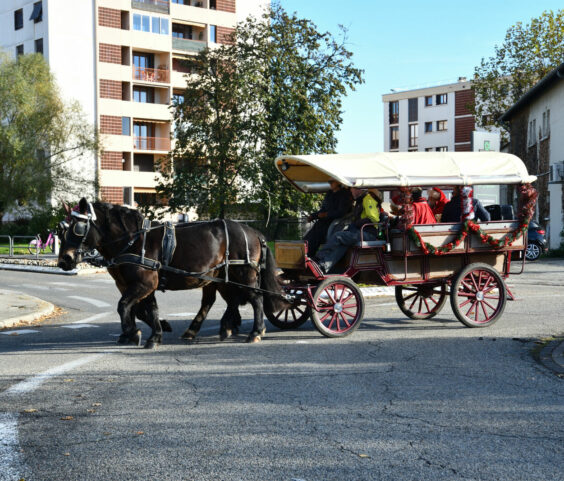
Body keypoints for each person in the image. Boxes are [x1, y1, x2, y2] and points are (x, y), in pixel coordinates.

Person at [314, 187, 380, 274]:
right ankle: (325, 265)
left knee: (338, 236)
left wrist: (356, 223)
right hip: (360, 232)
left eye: (352, 189)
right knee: (342, 243)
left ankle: (319, 257)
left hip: (368, 233)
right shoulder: (360, 201)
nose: (350, 191)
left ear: (358, 189)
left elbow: (374, 218)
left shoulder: (368, 199)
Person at [303, 179, 353, 257]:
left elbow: (341, 212)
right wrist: (313, 216)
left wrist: (327, 214)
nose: (330, 183)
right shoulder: (329, 194)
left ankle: (309, 257)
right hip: (324, 221)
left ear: (338, 182)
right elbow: (323, 209)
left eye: (331, 182)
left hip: (336, 222)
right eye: (329, 182)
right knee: (309, 236)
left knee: (317, 236)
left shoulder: (345, 194)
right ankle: (303, 253)